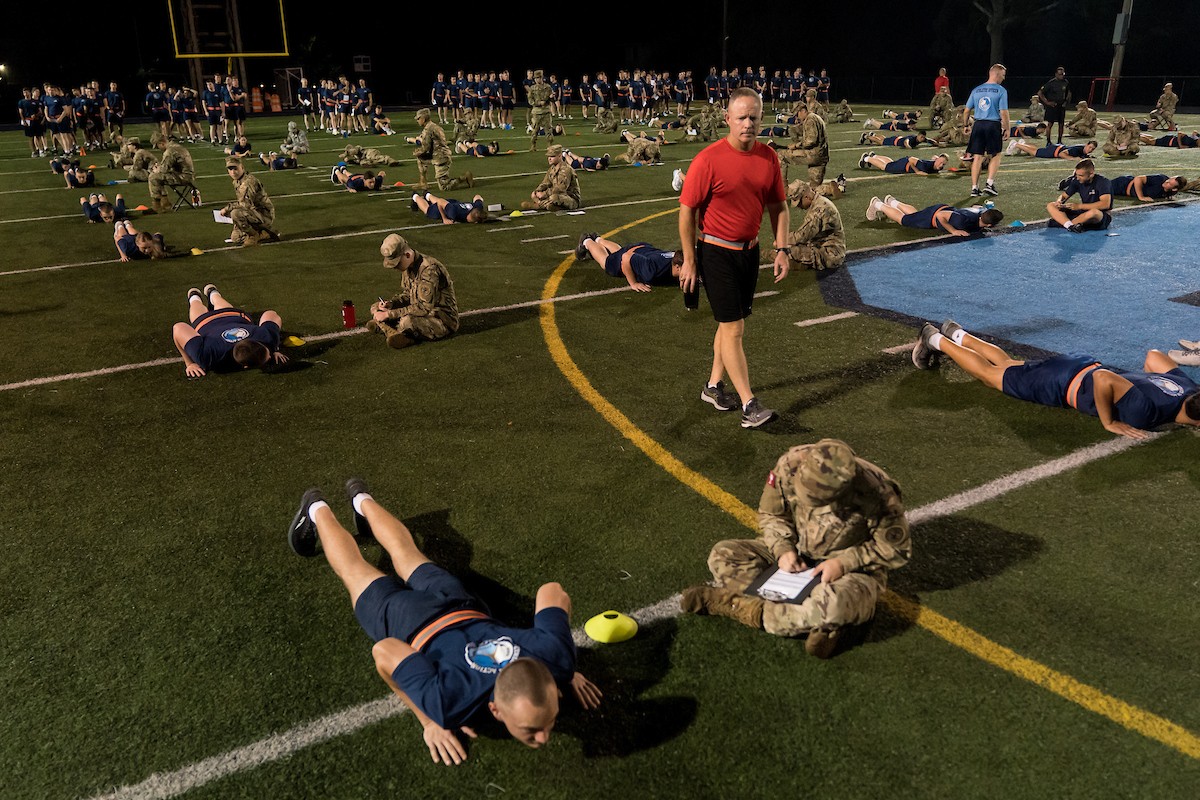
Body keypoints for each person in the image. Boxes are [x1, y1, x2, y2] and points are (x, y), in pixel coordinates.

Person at [286, 479, 602, 765]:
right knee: (354, 570)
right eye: (532, 729)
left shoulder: (554, 657)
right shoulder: (448, 702)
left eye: (550, 720)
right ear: (495, 711)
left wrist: (563, 666)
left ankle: (360, 499)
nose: (544, 736)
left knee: (404, 552)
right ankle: (316, 508)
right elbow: (385, 651)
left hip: (455, 601)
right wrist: (429, 720)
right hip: (407, 620)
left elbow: (551, 592)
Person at [681, 439, 911, 659]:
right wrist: (783, 549)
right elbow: (772, 514)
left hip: (850, 573)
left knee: (833, 606)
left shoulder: (878, 493)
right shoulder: (790, 464)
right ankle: (816, 621)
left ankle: (737, 607)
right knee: (723, 555)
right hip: (797, 552)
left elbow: (896, 548)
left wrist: (844, 563)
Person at [678, 87, 790, 429]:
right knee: (734, 327)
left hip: (750, 253)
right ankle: (749, 404)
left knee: (728, 325)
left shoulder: (768, 158)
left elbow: (778, 207)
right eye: (741, 117)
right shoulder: (708, 159)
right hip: (715, 252)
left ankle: (713, 387)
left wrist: (782, 247)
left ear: (761, 119)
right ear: (727, 119)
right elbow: (686, 212)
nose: (748, 124)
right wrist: (690, 260)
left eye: (753, 117)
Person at [910, 320, 1200, 440]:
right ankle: (935, 339)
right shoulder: (1148, 414)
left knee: (1008, 364)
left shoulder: (1191, 389)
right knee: (988, 376)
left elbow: (1153, 357)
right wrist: (1108, 421)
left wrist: (1146, 383)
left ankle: (957, 334)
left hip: (1078, 364)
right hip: (1061, 383)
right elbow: (1103, 380)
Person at [171, 284, 287, 377]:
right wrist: (190, 363)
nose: (271, 356)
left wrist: (273, 345)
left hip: (232, 315)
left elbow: (270, 314)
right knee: (197, 310)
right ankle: (197, 296)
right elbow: (178, 328)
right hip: (206, 323)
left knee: (207, 304)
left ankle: (207, 294)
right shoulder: (208, 358)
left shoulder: (266, 338)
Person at [368, 234, 460, 349]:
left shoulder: (429, 269)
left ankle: (398, 333)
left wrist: (389, 314)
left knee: (407, 321)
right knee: (376, 307)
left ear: (407, 255)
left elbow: (424, 307)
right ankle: (392, 329)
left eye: (397, 264)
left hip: (440, 319)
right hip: (420, 312)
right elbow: (408, 295)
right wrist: (391, 304)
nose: (395, 268)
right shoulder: (408, 266)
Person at [573, 233, 683, 291]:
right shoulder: (653, 270)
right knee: (607, 263)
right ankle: (587, 241)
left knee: (619, 252)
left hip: (642, 249)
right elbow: (626, 258)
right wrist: (633, 283)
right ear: (677, 267)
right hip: (631, 255)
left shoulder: (676, 258)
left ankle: (598, 239)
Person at [963, 63, 1010, 197]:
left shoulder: (976, 90)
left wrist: (966, 125)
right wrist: (1007, 128)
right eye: (1003, 75)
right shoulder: (1001, 90)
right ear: (996, 74)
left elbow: (966, 111)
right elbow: (1004, 112)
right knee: (995, 154)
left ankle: (974, 188)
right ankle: (989, 184)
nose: (1003, 78)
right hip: (992, 125)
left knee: (977, 156)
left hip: (978, 125)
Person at [865, 194, 1003, 235]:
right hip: (934, 216)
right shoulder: (963, 221)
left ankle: (893, 202)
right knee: (904, 220)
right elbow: (941, 216)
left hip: (944, 210)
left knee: (915, 214)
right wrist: (953, 230)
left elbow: (976, 206)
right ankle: (878, 204)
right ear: (990, 224)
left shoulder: (981, 212)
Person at [783, 180, 845, 271]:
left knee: (787, 251)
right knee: (789, 248)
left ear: (807, 197)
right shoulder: (817, 201)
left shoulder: (820, 209)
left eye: (799, 202)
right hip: (821, 246)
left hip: (830, 254)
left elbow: (803, 235)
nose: (799, 206)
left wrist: (782, 239)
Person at [407, 108, 473, 191]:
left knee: (444, 187)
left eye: (418, 118)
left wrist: (418, 152)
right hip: (437, 154)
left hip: (441, 158)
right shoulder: (433, 126)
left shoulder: (428, 130)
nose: (417, 120)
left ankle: (464, 178)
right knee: (420, 159)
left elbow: (426, 147)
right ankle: (423, 183)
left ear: (423, 119)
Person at [222, 156, 279, 245]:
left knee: (235, 213)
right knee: (235, 238)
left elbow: (245, 204)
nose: (233, 172)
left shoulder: (248, 182)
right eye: (230, 169)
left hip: (263, 214)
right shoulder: (237, 181)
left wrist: (228, 209)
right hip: (253, 213)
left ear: (242, 167)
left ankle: (254, 235)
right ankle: (264, 233)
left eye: (235, 168)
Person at [1046, 158, 1112, 232]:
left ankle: (1064, 223)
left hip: (1101, 215)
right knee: (1051, 205)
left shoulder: (1103, 182)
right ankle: (1071, 226)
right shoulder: (1077, 181)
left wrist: (1079, 206)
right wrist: (1059, 201)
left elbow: (1105, 204)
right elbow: (1064, 196)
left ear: (1091, 174)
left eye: (1081, 175)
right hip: (1083, 212)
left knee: (1094, 212)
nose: (1077, 177)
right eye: (1076, 174)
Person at [521, 144, 581, 211]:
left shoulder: (566, 170)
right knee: (536, 195)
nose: (549, 158)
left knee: (554, 197)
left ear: (560, 156)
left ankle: (540, 205)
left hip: (570, 197)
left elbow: (560, 188)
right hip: (556, 194)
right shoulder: (552, 168)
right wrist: (537, 191)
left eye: (552, 156)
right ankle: (549, 205)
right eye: (548, 156)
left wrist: (544, 194)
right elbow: (545, 183)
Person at [147, 132, 196, 213]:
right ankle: (165, 203)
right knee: (157, 177)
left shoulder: (169, 151)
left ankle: (158, 205)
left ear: (161, 143)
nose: (158, 148)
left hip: (183, 177)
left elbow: (163, 170)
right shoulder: (176, 146)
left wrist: (156, 169)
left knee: (153, 177)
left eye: (157, 146)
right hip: (187, 175)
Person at [1037, 66, 1072, 144]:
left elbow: (1068, 92)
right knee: (1050, 124)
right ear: (1056, 74)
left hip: (1061, 106)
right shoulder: (1051, 83)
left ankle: (1059, 141)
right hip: (1052, 106)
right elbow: (1040, 93)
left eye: (1063, 74)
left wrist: (1066, 101)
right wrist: (1047, 102)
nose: (1061, 76)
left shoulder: (1066, 82)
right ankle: (1048, 141)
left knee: (1061, 124)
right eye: (1060, 74)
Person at [412, 191, 488, 224]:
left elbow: (477, 196)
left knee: (444, 204)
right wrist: (444, 218)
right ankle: (415, 196)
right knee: (428, 210)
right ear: (475, 222)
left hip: (453, 203)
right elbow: (440, 202)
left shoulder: (477, 207)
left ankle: (427, 195)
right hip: (446, 207)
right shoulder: (453, 213)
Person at [526, 70, 554, 151]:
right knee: (535, 130)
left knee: (548, 129)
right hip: (536, 112)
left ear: (542, 78)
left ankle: (549, 145)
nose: (537, 79)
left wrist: (551, 97)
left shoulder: (548, 87)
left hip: (546, 111)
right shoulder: (532, 88)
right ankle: (533, 145)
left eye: (539, 78)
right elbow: (530, 100)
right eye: (536, 78)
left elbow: (551, 98)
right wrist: (538, 103)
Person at [1110, 174, 1186, 202]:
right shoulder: (1159, 179)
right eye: (1168, 179)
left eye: (1169, 183)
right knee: (1099, 189)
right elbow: (1138, 178)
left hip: (1123, 191)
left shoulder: (1172, 191)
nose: (1166, 181)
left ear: (1174, 189)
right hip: (1122, 185)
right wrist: (1141, 197)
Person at [858, 151, 948, 175]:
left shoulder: (934, 166)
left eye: (943, 164)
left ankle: (874, 156)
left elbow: (934, 159)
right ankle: (866, 158)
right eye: (940, 162)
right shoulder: (928, 165)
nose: (941, 165)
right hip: (905, 165)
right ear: (937, 160)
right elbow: (912, 159)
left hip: (905, 164)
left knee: (890, 163)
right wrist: (917, 171)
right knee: (885, 167)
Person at [1004, 139, 1097, 159]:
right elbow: (1062, 154)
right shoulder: (1078, 149)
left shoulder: (1082, 150)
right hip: (1055, 151)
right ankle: (1015, 144)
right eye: (1090, 147)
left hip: (1056, 147)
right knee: (1035, 153)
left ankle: (1022, 144)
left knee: (1037, 150)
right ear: (1086, 145)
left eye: (1092, 149)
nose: (1090, 149)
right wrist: (1073, 158)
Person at [861, 130, 929, 149]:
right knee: (880, 142)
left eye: (923, 137)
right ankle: (866, 136)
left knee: (884, 139)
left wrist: (936, 143)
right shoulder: (913, 138)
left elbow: (929, 140)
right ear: (918, 135)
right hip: (895, 141)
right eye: (921, 137)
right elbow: (906, 142)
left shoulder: (920, 139)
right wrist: (909, 147)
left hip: (897, 139)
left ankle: (874, 135)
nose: (922, 139)